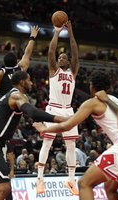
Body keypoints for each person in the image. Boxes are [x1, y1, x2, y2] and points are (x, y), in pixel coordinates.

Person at [33, 70, 118, 200]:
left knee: (84, 183)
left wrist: (44, 129)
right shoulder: (114, 100)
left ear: (91, 86)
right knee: (110, 188)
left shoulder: (92, 103)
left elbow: (67, 125)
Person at [0, 70, 66, 200]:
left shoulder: (9, 96)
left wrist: (43, 125)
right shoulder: (16, 96)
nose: (32, 83)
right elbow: (32, 112)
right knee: (4, 187)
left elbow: (32, 116)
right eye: (29, 80)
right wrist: (62, 119)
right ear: (22, 82)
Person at [36, 20, 80, 195]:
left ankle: (71, 180)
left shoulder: (72, 71)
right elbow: (51, 51)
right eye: (60, 57)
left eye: (64, 57)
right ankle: (40, 179)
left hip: (68, 110)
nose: (61, 58)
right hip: (53, 108)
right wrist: (56, 32)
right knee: (47, 143)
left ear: (68, 62)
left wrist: (70, 33)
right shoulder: (54, 70)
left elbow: (76, 53)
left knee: (71, 146)